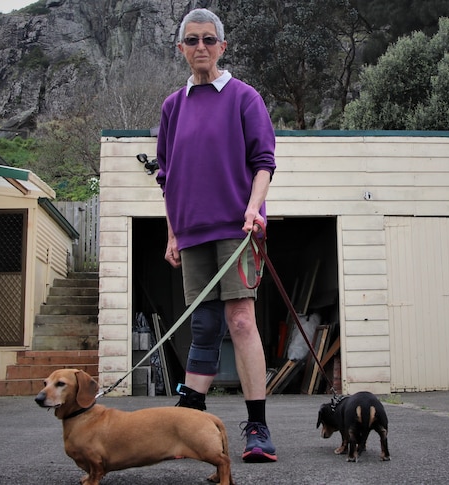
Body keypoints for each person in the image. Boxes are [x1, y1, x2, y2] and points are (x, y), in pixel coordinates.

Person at [155, 8, 277, 463]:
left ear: (222, 47)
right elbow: (167, 178)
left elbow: (264, 162)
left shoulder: (244, 98)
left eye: (209, 40)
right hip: (190, 232)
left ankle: (258, 427)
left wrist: (252, 209)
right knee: (203, 326)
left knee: (241, 320)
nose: (201, 47)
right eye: (192, 40)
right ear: (181, 49)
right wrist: (172, 233)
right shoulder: (172, 107)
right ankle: (191, 421)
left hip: (237, 228)